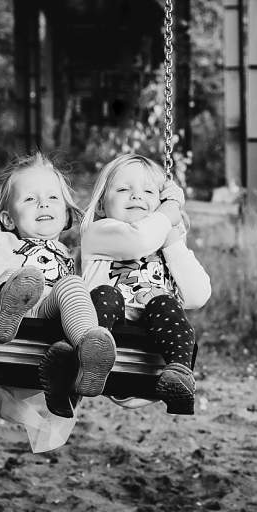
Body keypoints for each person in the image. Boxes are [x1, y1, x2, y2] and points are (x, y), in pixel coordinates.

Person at [0, 146, 117, 426]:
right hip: (1, 331)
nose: (43, 203)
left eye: (53, 197)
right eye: (29, 198)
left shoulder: (74, 256)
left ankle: (89, 348)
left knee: (74, 286)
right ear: (7, 219)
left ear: (66, 215)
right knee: (19, 279)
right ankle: (7, 309)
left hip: (45, 333)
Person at [69, 154, 211, 415]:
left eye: (148, 191)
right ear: (101, 204)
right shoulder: (99, 232)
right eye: (123, 189)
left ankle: (178, 375)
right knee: (105, 295)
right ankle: (90, 361)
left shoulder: (164, 243)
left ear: (159, 202)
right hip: (113, 344)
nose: (137, 196)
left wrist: (174, 243)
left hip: (152, 356)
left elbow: (198, 295)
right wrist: (168, 214)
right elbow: (138, 240)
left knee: (166, 302)